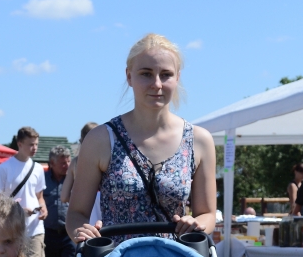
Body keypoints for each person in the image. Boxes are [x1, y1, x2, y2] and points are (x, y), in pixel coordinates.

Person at [66, 33, 217, 243]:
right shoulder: (101, 139)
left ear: (177, 78)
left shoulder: (199, 140)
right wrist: (81, 232)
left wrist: (196, 223)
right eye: (146, 74)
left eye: (166, 74)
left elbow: (208, 213)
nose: (157, 84)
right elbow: (76, 214)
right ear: (129, 76)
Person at [0, 127, 47, 257]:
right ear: (20, 144)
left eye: (36, 144)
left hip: (35, 227)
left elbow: (39, 197)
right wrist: (18, 210)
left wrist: (43, 208)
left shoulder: (38, 168)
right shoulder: (4, 168)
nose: (35, 148)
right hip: (12, 228)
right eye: (31, 144)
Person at [43, 145, 75, 257]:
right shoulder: (42, 180)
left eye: (68, 161)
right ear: (52, 163)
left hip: (69, 233)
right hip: (49, 234)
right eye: (63, 163)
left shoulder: (75, 179)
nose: (67, 165)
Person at [61, 123, 102, 229]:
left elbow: (64, 196)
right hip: (103, 216)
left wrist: (80, 200)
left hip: (82, 220)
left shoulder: (75, 162)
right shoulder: (105, 160)